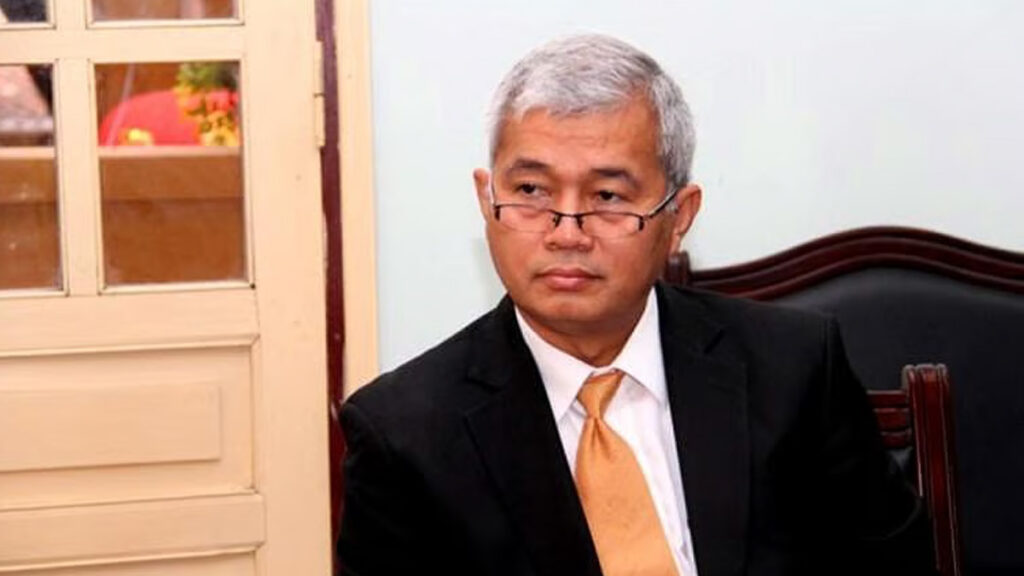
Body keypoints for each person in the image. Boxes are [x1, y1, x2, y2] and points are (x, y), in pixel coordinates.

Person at [337, 34, 935, 576]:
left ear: (679, 217)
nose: (566, 231)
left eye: (607, 195)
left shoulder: (795, 368)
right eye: (531, 190)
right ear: (486, 198)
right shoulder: (404, 436)